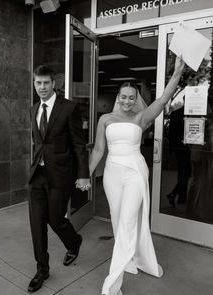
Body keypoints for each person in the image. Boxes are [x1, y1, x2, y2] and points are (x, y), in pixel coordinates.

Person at [89, 56, 185, 295]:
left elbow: (163, 100)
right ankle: (130, 260)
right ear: (118, 98)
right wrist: (86, 175)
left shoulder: (141, 118)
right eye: (124, 97)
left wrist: (175, 75)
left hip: (134, 172)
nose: (128, 101)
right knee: (117, 218)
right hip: (112, 173)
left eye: (132, 97)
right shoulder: (105, 119)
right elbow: (99, 149)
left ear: (136, 99)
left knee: (128, 221)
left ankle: (112, 283)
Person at [28, 65, 90, 293]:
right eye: (38, 83)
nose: (42, 87)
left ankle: (74, 242)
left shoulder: (69, 108)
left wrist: (83, 174)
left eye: (46, 83)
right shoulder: (33, 108)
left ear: (54, 83)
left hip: (60, 176)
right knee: (36, 225)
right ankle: (41, 269)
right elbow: (39, 142)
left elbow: (78, 144)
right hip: (37, 176)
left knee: (55, 220)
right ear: (34, 83)